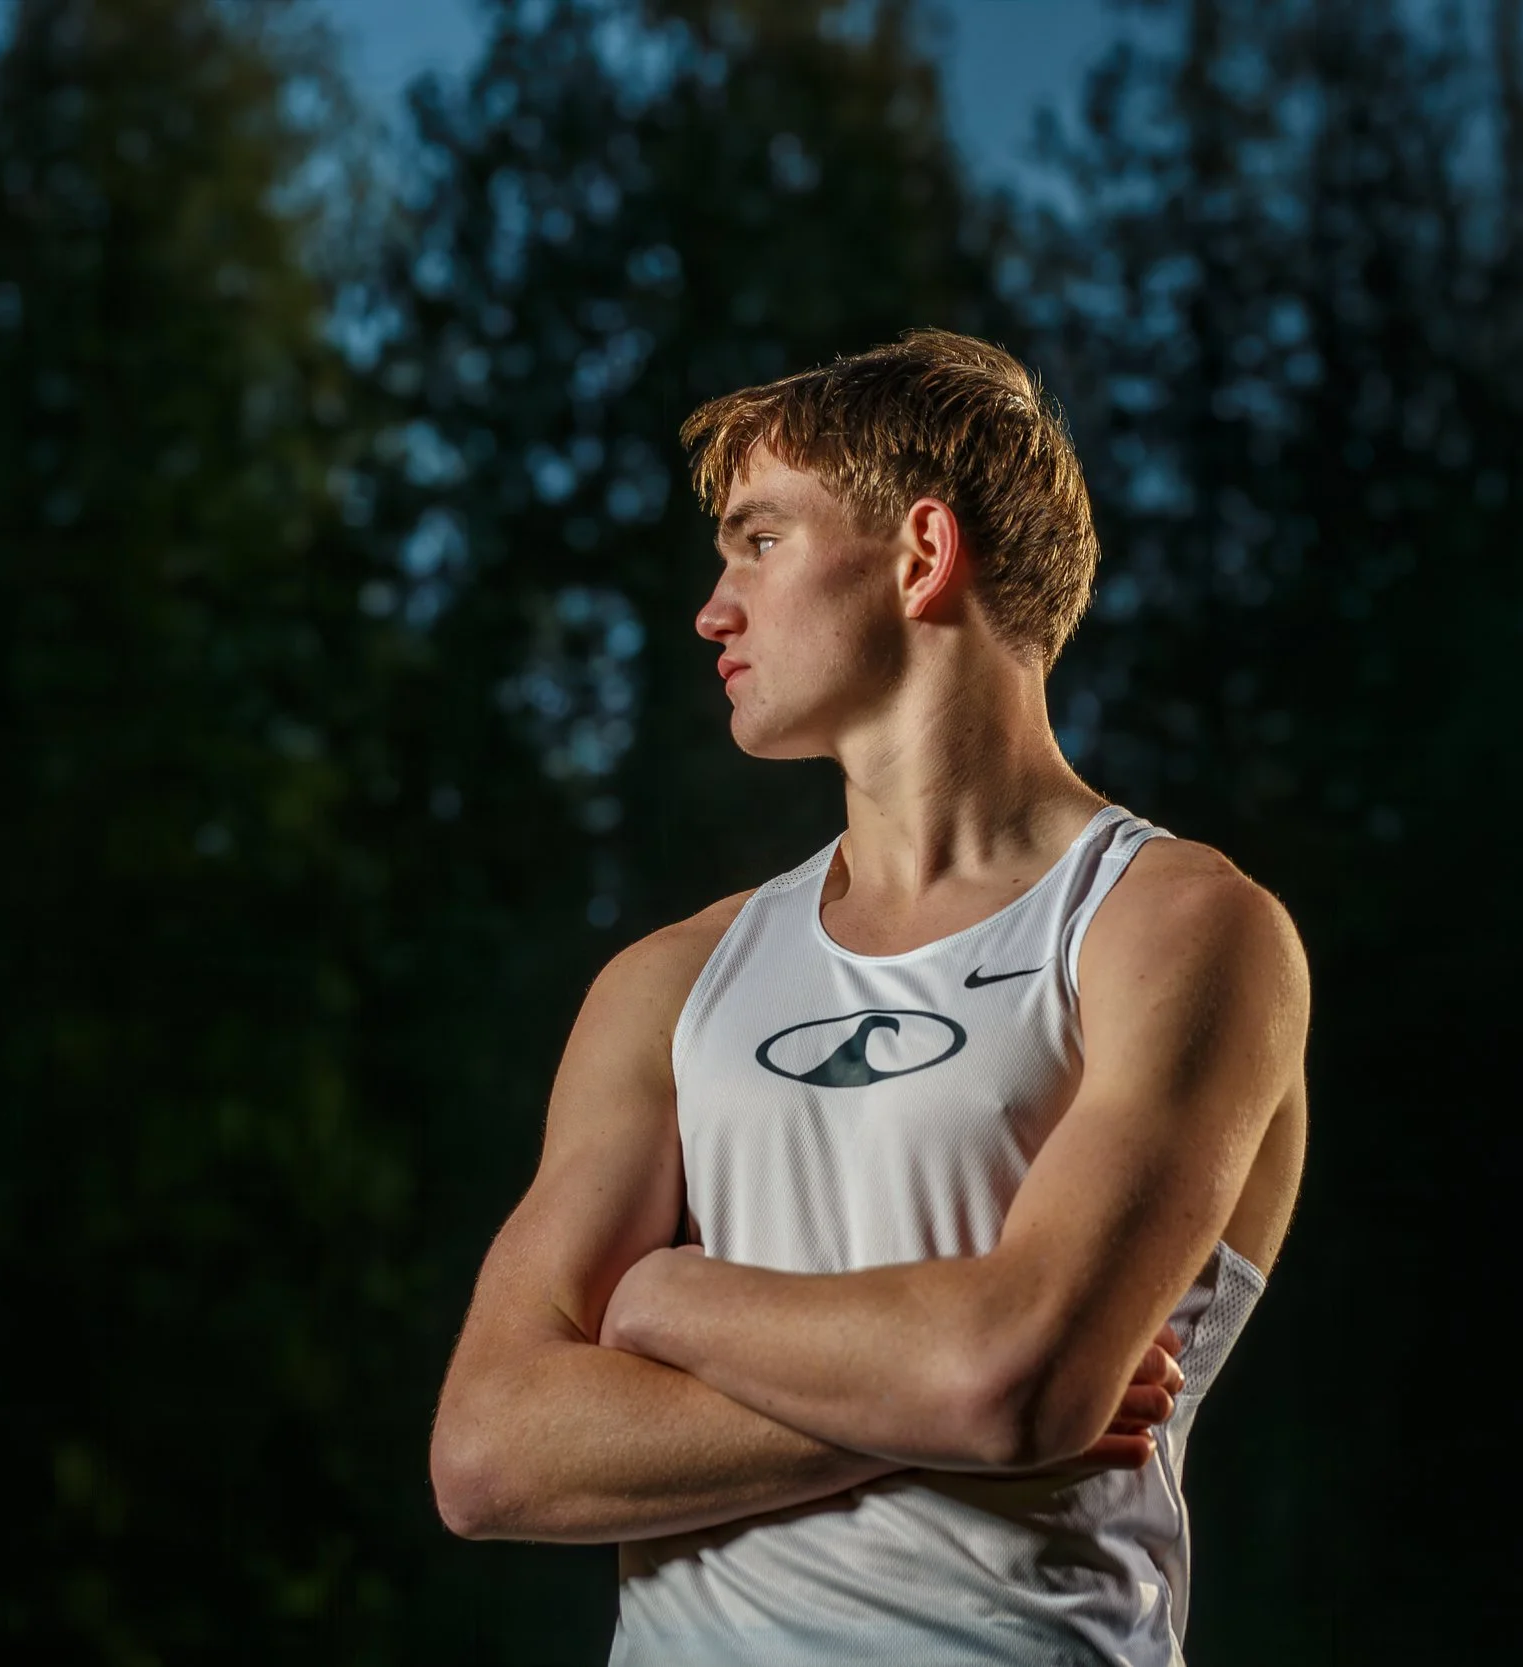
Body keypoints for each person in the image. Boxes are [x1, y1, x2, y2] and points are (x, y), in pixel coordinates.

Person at [429, 329, 1310, 1665]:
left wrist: (665, 1303)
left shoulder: (1181, 930)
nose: (713, 608)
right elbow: (490, 1451)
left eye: (759, 541)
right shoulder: (671, 980)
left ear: (919, 552)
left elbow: (1011, 1378)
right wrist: (929, 1387)